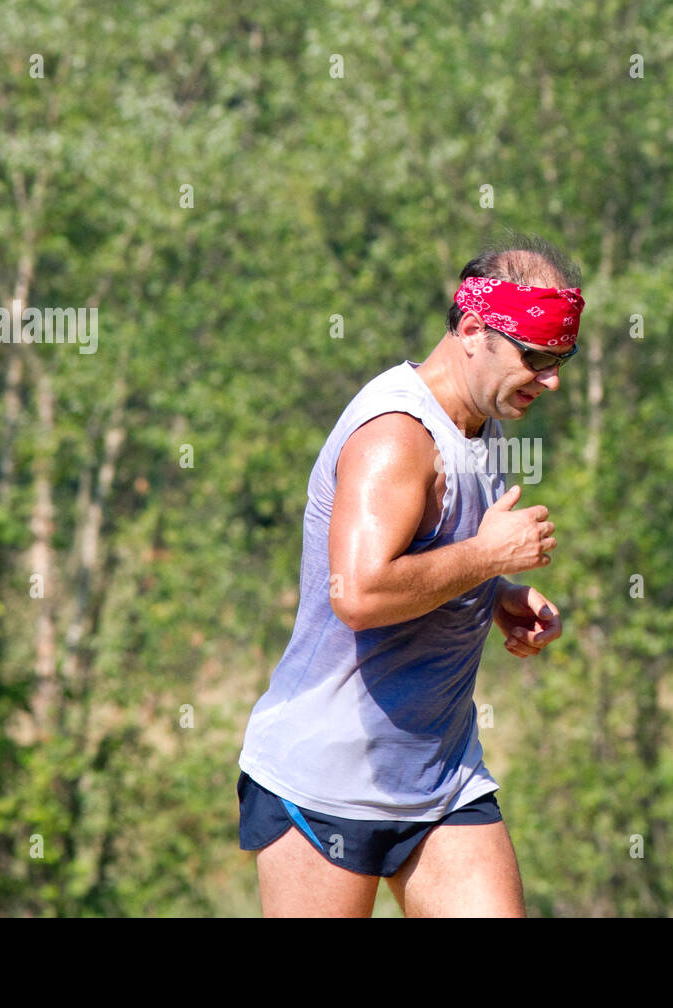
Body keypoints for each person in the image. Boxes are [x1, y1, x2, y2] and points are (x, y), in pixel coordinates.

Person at [237, 233, 583, 917]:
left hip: (441, 782)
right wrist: (488, 559)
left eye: (561, 359)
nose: (552, 380)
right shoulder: (397, 433)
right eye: (537, 358)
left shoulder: (483, 422)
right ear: (474, 330)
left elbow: (425, 559)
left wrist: (498, 596)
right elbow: (360, 594)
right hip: (325, 781)